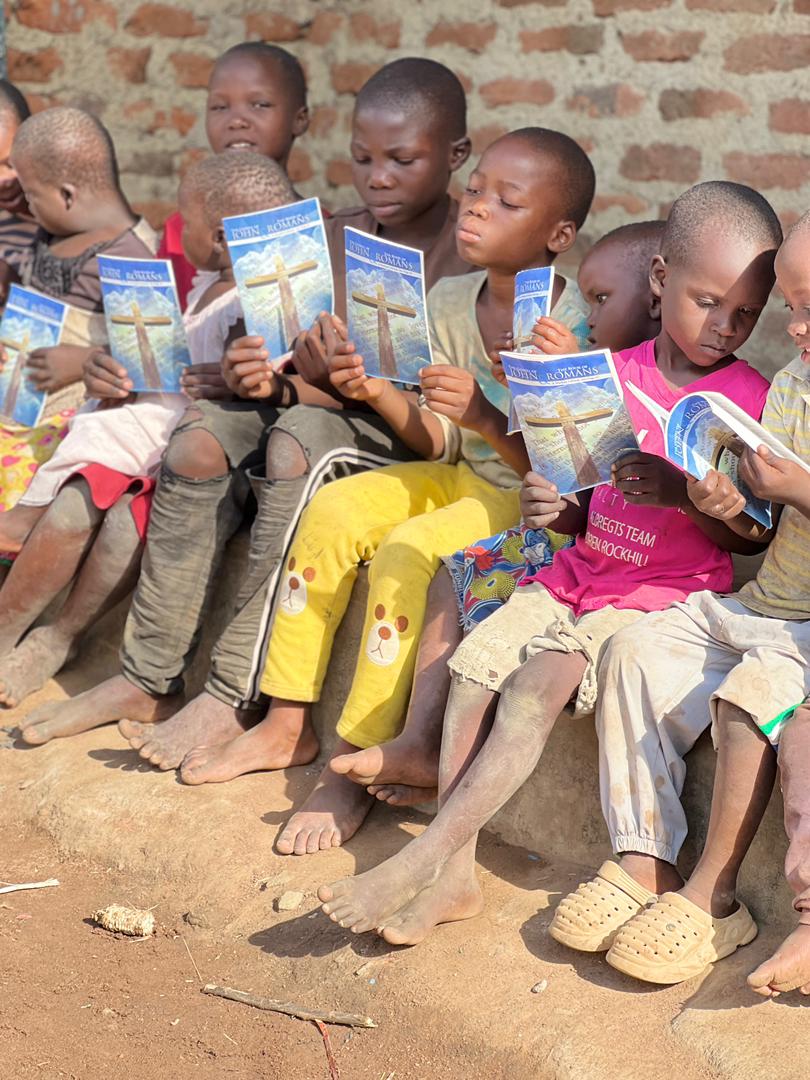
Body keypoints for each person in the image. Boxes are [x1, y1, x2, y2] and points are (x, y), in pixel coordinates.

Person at [314, 180, 781, 945]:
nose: (725, 328)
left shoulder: (745, 399)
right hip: (577, 571)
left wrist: (686, 497)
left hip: (656, 595)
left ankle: (420, 859)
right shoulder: (606, 375)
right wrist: (550, 507)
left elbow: (750, 539)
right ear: (661, 282)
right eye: (707, 303)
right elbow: (581, 506)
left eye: (745, 315)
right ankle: (455, 877)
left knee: (532, 689)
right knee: (473, 670)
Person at [24, 58, 473, 753]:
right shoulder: (324, 235)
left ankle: (231, 693)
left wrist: (310, 395)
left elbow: (430, 405)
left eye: (402, 160)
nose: (377, 176)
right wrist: (258, 378)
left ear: (455, 156)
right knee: (200, 439)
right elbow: (279, 364)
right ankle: (147, 676)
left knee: (296, 440)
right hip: (314, 403)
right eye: (361, 158)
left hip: (403, 432)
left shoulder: (467, 255)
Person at [180, 128, 596, 860]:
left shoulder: (576, 326)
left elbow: (565, 470)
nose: (475, 209)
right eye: (475, 192)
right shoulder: (449, 298)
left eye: (506, 201)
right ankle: (286, 720)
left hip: (528, 499)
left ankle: (357, 754)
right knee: (336, 509)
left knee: (408, 551)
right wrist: (372, 388)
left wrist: (485, 414)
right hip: (459, 473)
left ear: (557, 234)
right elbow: (436, 440)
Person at [551, 211, 810, 995]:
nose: (796, 329)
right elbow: (758, 531)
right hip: (764, 600)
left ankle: (713, 898)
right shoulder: (795, 385)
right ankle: (645, 865)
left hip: (802, 633)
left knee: (753, 693)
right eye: (794, 308)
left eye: (808, 309)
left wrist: (795, 487)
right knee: (635, 651)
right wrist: (730, 501)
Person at [345, 220, 666, 811]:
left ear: (656, 298)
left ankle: (443, 787)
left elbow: (618, 473)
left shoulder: (647, 384)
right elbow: (572, 495)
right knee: (457, 570)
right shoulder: (597, 366)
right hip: (575, 550)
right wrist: (530, 404)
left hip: (626, 581)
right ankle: (418, 741)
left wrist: (540, 404)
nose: (585, 316)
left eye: (599, 300)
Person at [0, 153, 293, 720]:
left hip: (179, 453)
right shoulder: (206, 282)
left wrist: (231, 377)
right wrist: (115, 368)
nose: (174, 231)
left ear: (224, 237)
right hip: (135, 432)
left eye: (184, 221)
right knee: (70, 511)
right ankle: (6, 627)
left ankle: (59, 637)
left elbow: (255, 377)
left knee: (122, 527)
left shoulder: (253, 306)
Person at [0, 107, 157, 551]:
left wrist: (83, 360)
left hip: (69, 420)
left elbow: (151, 357)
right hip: (21, 403)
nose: (25, 205)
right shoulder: (53, 232)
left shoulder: (131, 258)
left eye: (31, 195)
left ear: (67, 194)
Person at [158, 41, 310, 311]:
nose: (236, 120)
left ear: (299, 119)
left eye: (260, 104)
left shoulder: (319, 229)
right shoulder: (181, 231)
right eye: (219, 107)